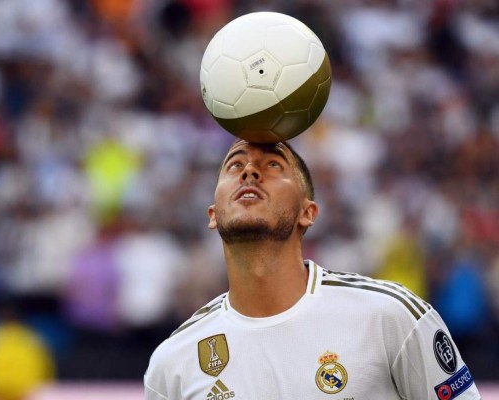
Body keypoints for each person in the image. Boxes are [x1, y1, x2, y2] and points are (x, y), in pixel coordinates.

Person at [144, 139, 481, 400]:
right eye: (234, 165)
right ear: (213, 213)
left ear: (308, 213)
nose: (249, 171)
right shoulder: (174, 361)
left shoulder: (390, 316)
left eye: (273, 165)